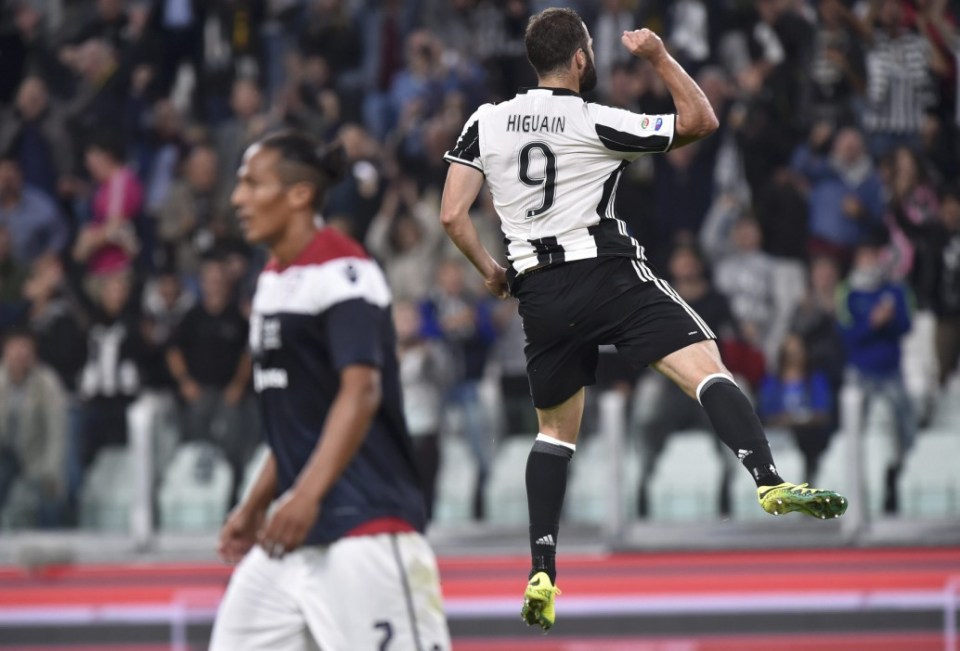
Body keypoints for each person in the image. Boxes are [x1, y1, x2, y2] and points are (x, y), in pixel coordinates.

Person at [438, 8, 848, 632]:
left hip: (539, 295)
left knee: (554, 435)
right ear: (580, 58)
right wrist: (658, 57)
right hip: (606, 275)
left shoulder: (486, 121)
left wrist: (491, 271)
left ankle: (542, 566)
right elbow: (701, 121)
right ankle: (767, 479)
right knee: (706, 366)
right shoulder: (594, 118)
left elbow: (450, 215)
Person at [210, 131, 450, 651]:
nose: (237, 199)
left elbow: (361, 394)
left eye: (252, 184)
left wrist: (305, 496)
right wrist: (256, 505)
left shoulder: (347, 271)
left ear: (298, 196)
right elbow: (299, 417)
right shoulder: (272, 281)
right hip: (294, 535)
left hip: (364, 528)